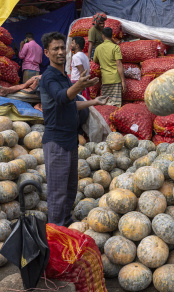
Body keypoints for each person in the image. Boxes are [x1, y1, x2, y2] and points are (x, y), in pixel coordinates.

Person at [40, 32, 107, 226]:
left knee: (70, 188)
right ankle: (56, 232)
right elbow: (62, 97)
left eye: (63, 47)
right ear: (46, 52)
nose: (60, 52)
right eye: (55, 49)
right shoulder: (49, 77)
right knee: (58, 192)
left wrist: (94, 101)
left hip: (69, 141)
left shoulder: (63, 76)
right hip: (56, 142)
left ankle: (67, 223)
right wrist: (79, 85)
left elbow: (70, 104)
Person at [93, 27, 126, 107]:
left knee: (105, 105)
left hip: (105, 80)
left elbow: (95, 61)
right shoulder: (115, 47)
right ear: (112, 36)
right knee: (116, 106)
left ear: (103, 36)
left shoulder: (98, 48)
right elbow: (119, 64)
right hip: (115, 79)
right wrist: (123, 81)